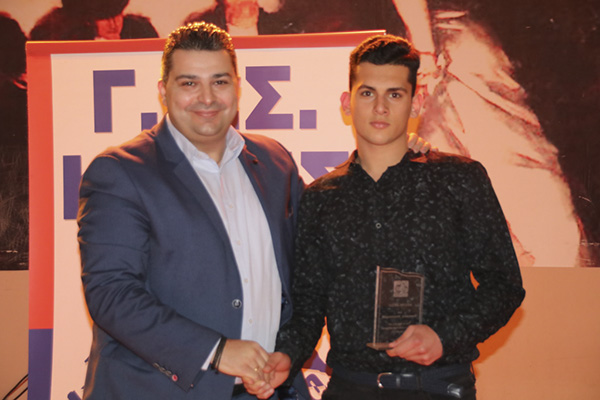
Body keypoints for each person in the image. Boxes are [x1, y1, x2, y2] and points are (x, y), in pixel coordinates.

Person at [245, 34, 526, 399]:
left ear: (416, 103)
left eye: (394, 94)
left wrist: (444, 337)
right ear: (346, 103)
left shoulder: (459, 180)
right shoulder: (321, 198)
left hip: (437, 388)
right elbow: (308, 307)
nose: (380, 107)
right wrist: (287, 355)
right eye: (367, 93)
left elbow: (504, 285)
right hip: (348, 390)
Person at [77, 22, 307, 399]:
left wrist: (288, 350)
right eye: (189, 83)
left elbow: (308, 265)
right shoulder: (120, 172)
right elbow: (111, 294)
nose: (207, 98)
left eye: (219, 82)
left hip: (266, 388)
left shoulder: (275, 162)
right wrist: (216, 351)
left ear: (238, 87)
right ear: (162, 91)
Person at [30, 0, 158, 41]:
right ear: (85, 19)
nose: (114, 24)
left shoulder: (141, 32)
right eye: (104, 18)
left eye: (118, 14)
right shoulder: (54, 35)